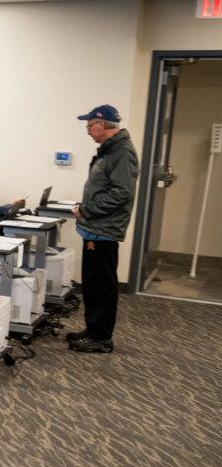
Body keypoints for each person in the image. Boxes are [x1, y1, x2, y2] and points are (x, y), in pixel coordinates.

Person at [68, 104, 138, 353]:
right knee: (93, 282)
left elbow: (122, 193)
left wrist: (88, 209)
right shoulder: (110, 151)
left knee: (101, 284)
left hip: (103, 229)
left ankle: (100, 338)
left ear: (101, 124)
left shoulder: (121, 152)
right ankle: (94, 329)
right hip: (96, 227)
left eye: (89, 125)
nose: (87, 130)